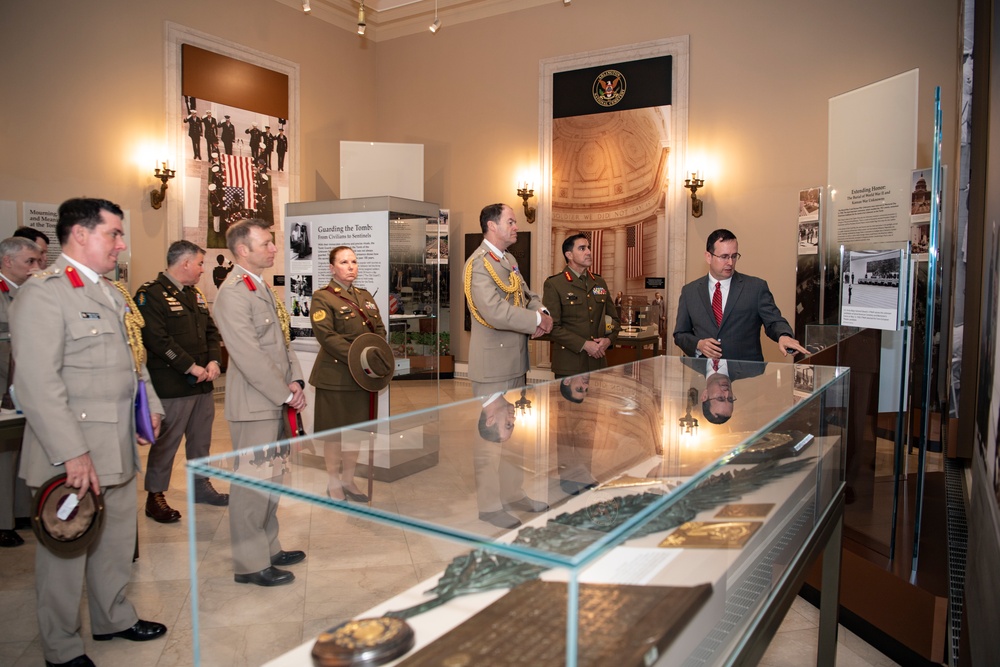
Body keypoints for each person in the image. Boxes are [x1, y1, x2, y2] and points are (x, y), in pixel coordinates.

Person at [12, 197, 168, 666]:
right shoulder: (45, 291)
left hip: (115, 443)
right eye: (113, 234)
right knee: (67, 546)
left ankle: (114, 617)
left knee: (116, 540)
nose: (122, 244)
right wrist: (72, 452)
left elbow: (133, 361)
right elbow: (37, 384)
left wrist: (151, 406)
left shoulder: (111, 292)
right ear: (80, 234)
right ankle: (60, 646)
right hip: (72, 451)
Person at [214, 218, 307, 587]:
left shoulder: (259, 287)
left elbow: (282, 342)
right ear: (242, 250)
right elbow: (249, 355)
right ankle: (250, 564)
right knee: (252, 485)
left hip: (274, 398)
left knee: (272, 478)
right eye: (266, 243)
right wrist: (286, 393)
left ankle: (268, 547)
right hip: (254, 404)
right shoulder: (234, 292)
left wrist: (296, 379)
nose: (273, 248)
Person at [135, 240, 228, 524]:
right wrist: (190, 366)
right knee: (166, 442)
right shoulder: (150, 295)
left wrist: (213, 362)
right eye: (200, 263)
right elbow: (157, 340)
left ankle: (200, 485)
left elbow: (212, 331)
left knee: (201, 440)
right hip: (172, 384)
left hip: (202, 383)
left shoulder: (195, 295)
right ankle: (155, 496)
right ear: (185, 263)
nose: (203, 269)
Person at [309, 246, 387, 502]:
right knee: (334, 435)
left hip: (361, 377)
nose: (351, 266)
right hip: (335, 375)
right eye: (344, 262)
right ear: (332, 268)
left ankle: (348, 480)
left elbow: (380, 331)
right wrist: (360, 356)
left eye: (354, 261)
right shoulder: (323, 298)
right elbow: (327, 336)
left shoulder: (364, 296)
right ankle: (333, 483)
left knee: (356, 433)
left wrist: (374, 359)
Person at [673, 228, 807, 362]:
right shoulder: (689, 292)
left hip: (745, 377)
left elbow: (774, 321)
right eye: (724, 257)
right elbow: (680, 334)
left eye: (734, 256)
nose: (730, 263)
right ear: (708, 257)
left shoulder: (755, 288)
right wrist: (698, 345)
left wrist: (783, 335)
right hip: (703, 377)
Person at [463, 203, 551, 396]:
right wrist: (536, 321)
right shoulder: (478, 264)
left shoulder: (509, 260)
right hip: (494, 368)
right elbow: (494, 311)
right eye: (510, 222)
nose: (516, 227)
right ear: (492, 225)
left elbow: (526, 295)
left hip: (517, 362)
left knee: (511, 424)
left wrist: (542, 312)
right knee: (496, 424)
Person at [0, 236, 43, 548]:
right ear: (7, 261)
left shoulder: (30, 293)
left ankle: (20, 512)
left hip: (27, 385)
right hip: (3, 385)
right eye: (29, 261)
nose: (36, 267)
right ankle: (3, 521)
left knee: (21, 451)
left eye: (38, 261)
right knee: (4, 456)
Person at [542, 233, 620, 377]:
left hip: (598, 364)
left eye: (588, 248)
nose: (589, 252)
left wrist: (608, 340)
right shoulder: (555, 284)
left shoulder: (599, 282)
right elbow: (552, 327)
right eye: (582, 248)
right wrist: (585, 345)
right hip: (569, 365)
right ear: (569, 255)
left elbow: (614, 320)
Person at [474, 391, 547, 529]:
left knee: (514, 436)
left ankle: (512, 494)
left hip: (511, 375)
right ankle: (489, 506)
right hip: (490, 379)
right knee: (489, 444)